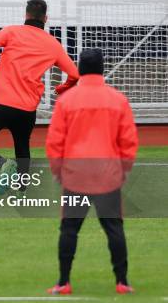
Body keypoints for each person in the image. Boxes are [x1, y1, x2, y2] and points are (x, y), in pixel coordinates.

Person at [46, 49, 138, 295]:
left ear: (80, 69)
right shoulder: (117, 99)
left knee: (69, 229)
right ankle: (122, 282)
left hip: (76, 175)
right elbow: (128, 140)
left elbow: (55, 141)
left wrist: (58, 171)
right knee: (114, 229)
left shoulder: (66, 100)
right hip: (108, 175)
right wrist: (123, 169)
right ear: (102, 68)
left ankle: (63, 282)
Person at [0, 0, 79, 194]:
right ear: (46, 18)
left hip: (2, 103)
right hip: (27, 109)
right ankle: (21, 186)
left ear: (26, 15)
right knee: (22, 146)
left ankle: (2, 164)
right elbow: (75, 74)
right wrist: (62, 88)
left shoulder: (12, 31)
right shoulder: (53, 44)